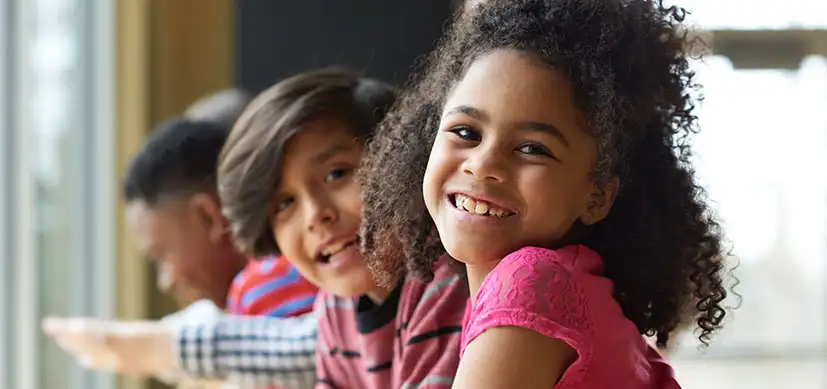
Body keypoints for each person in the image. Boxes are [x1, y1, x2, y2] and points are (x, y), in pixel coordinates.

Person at [358, 0, 734, 388]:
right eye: (466, 132)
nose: (482, 165)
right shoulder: (560, 288)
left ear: (596, 196)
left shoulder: (531, 288)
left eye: (532, 148)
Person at [217, 68, 467, 389]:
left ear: (400, 161)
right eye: (285, 203)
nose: (315, 215)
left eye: (337, 174)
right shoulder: (334, 309)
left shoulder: (444, 276)